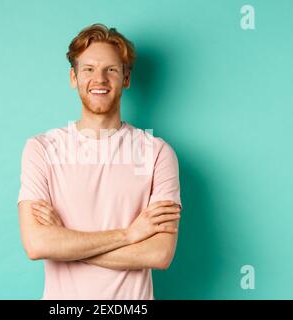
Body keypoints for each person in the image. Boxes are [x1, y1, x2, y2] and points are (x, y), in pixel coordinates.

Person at [17, 23, 182, 300]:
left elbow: (159, 253)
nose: (100, 79)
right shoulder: (41, 149)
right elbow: (37, 244)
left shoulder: (157, 153)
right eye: (89, 69)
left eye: (111, 70)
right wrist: (129, 235)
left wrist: (65, 242)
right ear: (74, 77)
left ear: (126, 78)